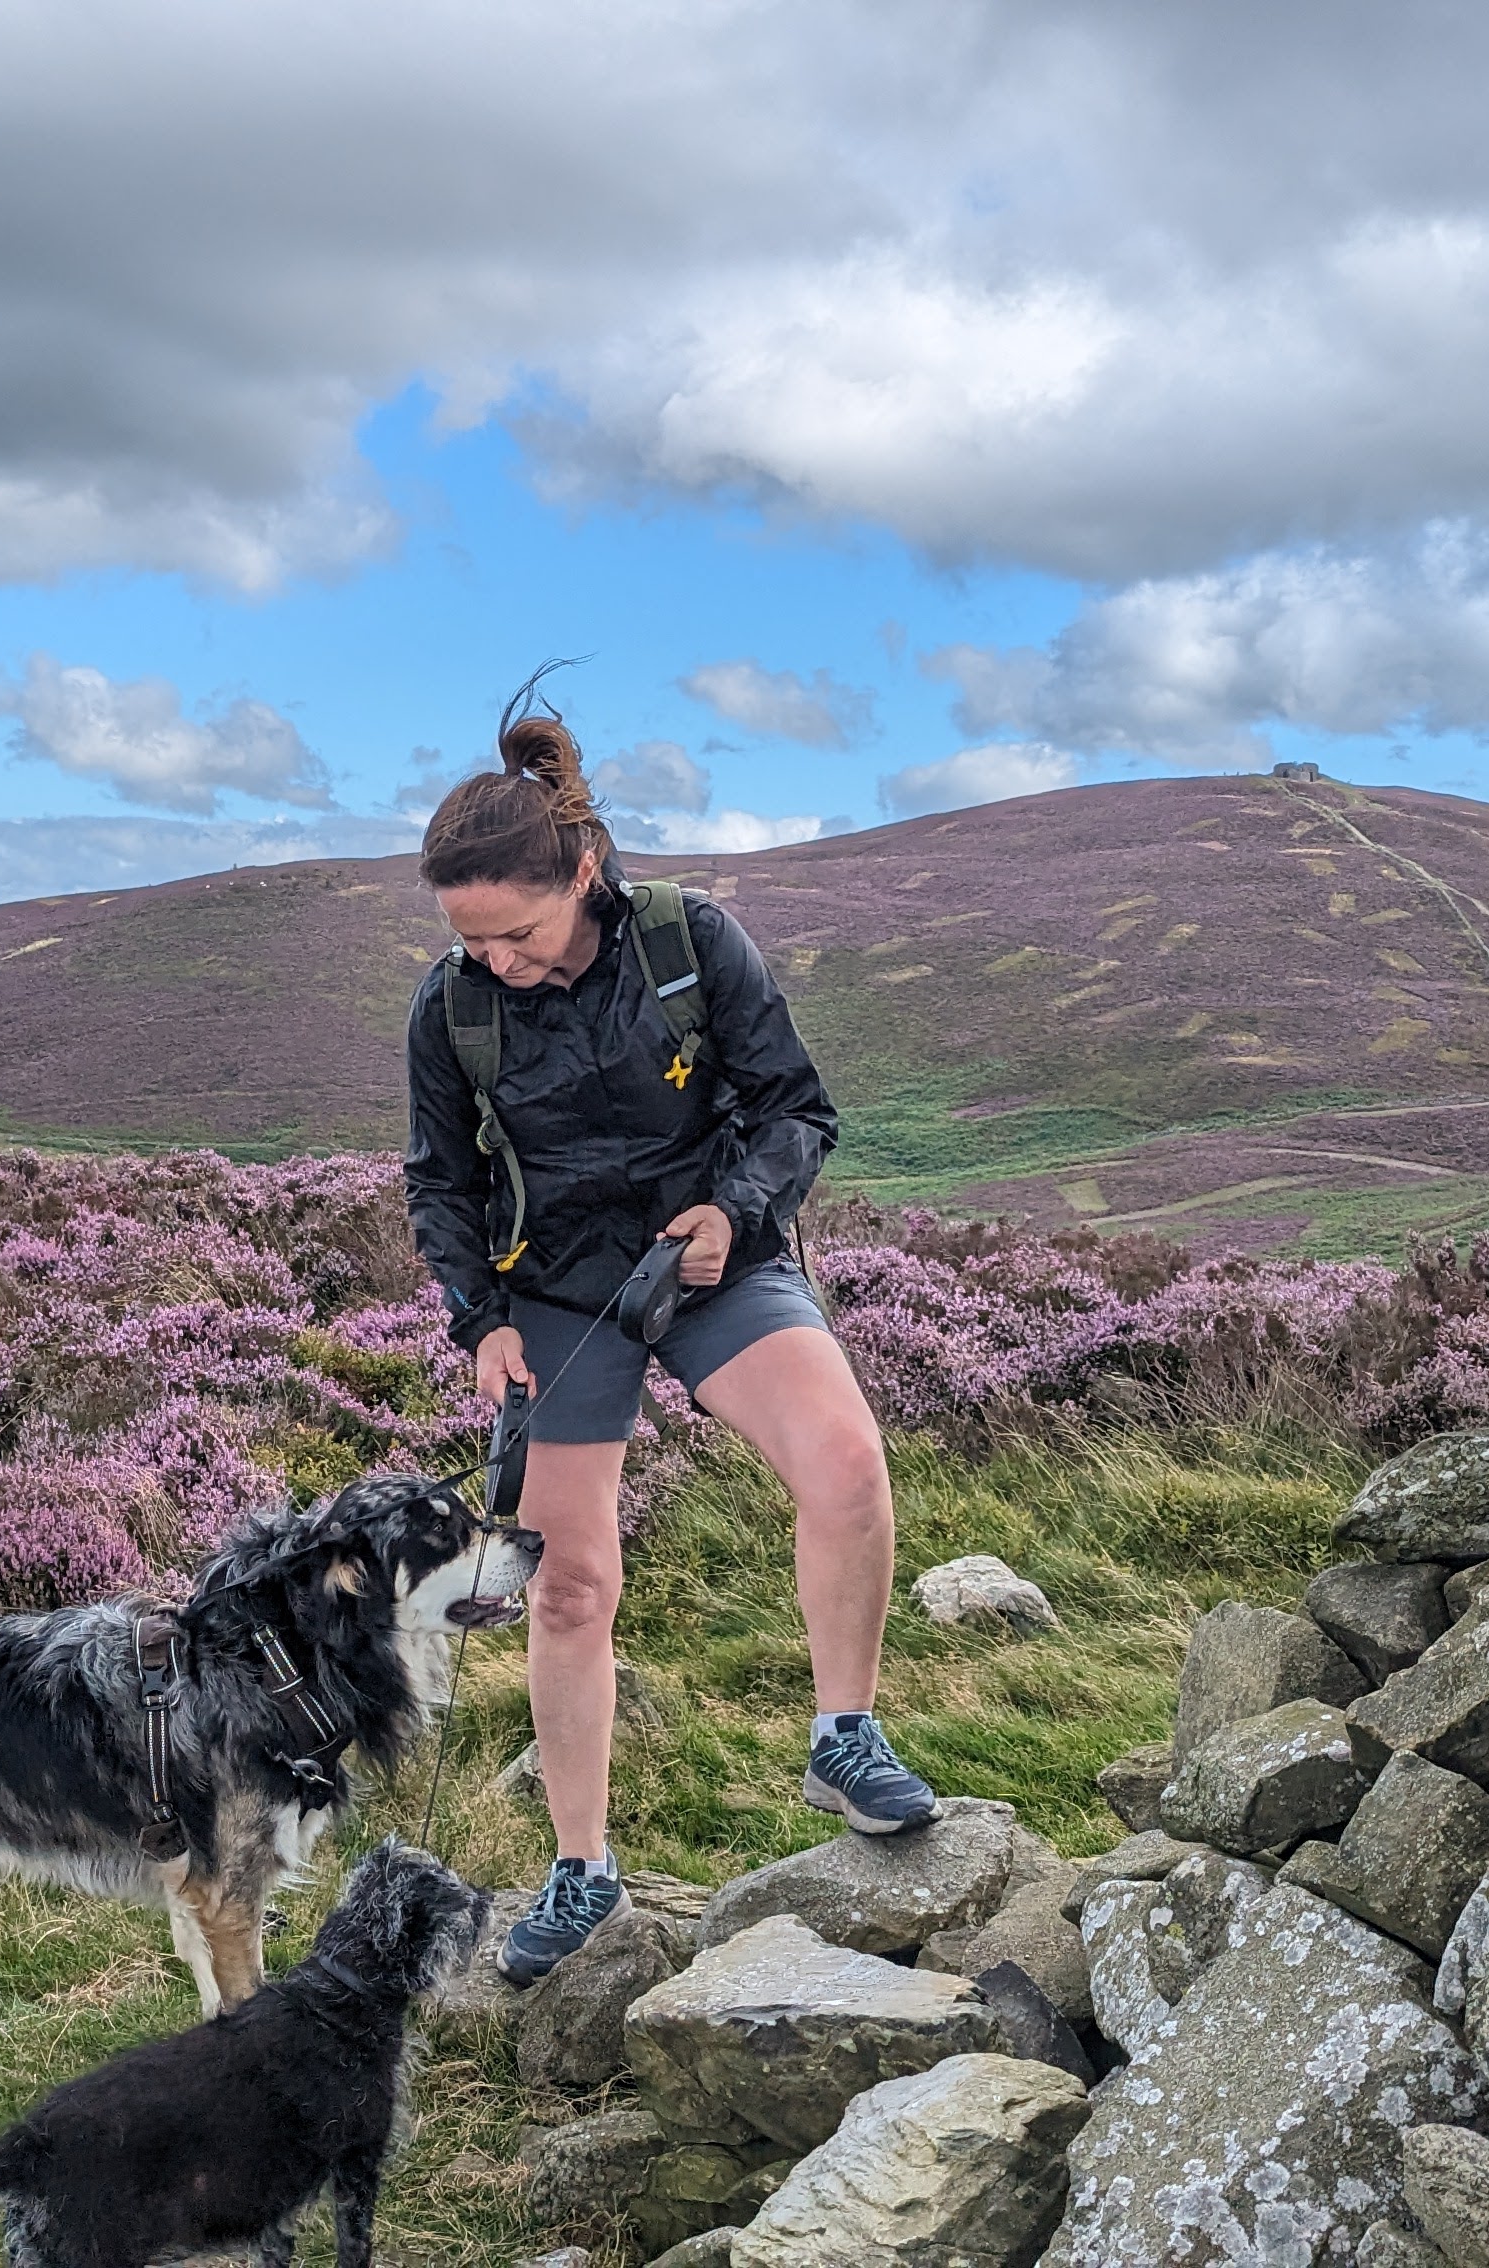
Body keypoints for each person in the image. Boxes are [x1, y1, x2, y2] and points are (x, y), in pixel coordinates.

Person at [400, 687, 933, 1986]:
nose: (497, 965)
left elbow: (796, 1111)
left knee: (848, 1466)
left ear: (581, 874)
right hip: (558, 1297)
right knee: (570, 1585)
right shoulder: (452, 1007)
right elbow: (439, 1181)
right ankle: (582, 1873)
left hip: (711, 1261)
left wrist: (734, 1212)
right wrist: (480, 1323)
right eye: (472, 943)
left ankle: (844, 1739)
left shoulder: (691, 944)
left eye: (515, 936)